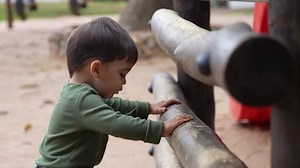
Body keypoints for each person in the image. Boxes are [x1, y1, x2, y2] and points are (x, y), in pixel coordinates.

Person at [35, 17, 193, 168]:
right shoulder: (80, 100)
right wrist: (160, 129)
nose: (124, 82)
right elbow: (116, 123)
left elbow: (113, 105)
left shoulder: (79, 95)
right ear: (96, 69)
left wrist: (148, 108)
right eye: (122, 74)